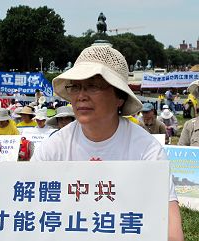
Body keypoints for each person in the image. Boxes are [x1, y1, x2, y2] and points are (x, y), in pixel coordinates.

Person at [31, 44, 184, 241]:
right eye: (75, 86)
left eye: (93, 86)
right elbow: (29, 210)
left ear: (119, 97)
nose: (81, 96)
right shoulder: (54, 148)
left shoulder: (147, 150)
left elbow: (172, 232)